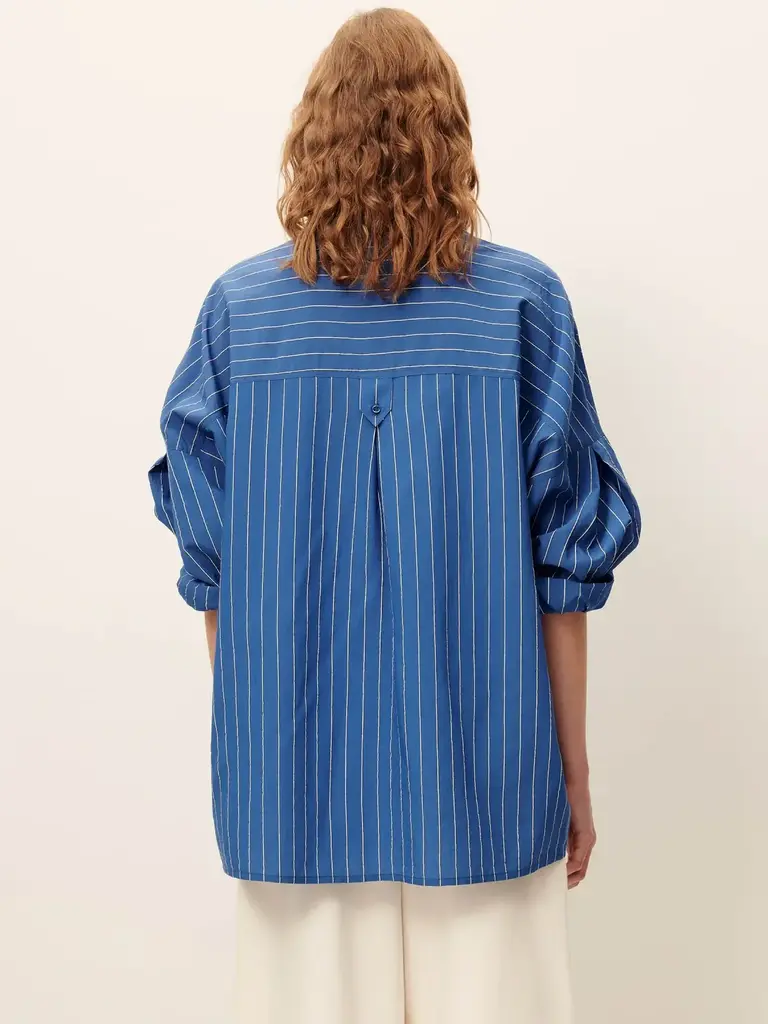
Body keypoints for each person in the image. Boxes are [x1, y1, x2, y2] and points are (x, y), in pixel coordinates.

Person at [148, 8, 641, 1022]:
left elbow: (215, 574)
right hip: (486, 769)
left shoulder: (243, 314)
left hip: (293, 785)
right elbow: (565, 572)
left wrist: (264, 760)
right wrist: (573, 776)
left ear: (313, 132)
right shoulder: (520, 306)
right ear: (449, 133)